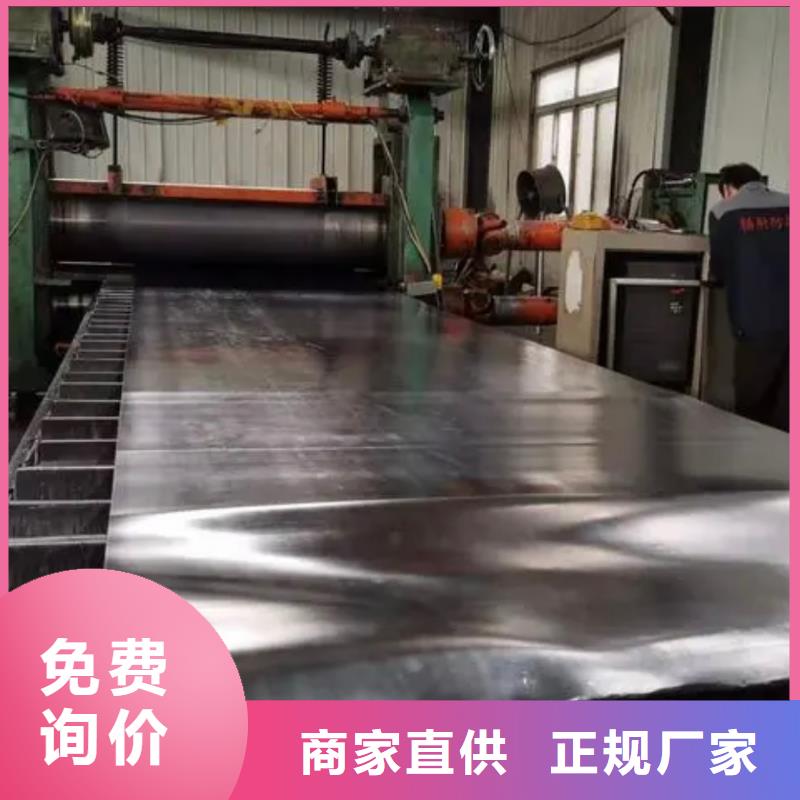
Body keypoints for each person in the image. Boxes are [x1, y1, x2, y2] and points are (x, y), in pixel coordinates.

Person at [708, 163, 789, 431]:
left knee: (752, 402)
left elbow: (719, 268)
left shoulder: (723, 212)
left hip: (756, 322)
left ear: (727, 188)